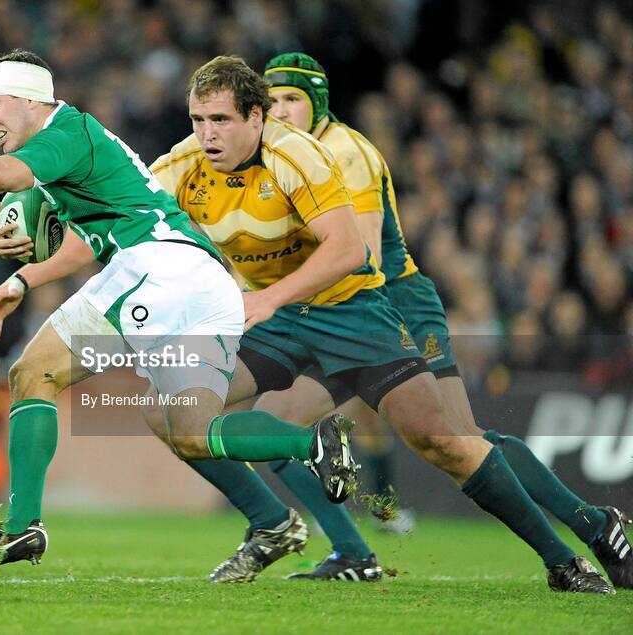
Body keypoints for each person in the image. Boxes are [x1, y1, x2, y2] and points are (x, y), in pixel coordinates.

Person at [142, 56, 612, 593]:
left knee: (449, 440)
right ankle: (287, 527)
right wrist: (41, 249)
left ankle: (567, 555)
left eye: (220, 120)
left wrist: (265, 297)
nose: (206, 134)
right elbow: (129, 216)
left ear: (258, 116)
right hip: (280, 314)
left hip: (363, 308)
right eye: (198, 120)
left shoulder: (320, 154)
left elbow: (352, 252)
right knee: (172, 408)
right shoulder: (182, 166)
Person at [0, 49, 357, 579]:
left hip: (157, 267)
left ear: (29, 100)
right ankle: (307, 450)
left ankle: (21, 526)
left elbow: (3, 174)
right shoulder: (73, 151)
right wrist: (21, 276)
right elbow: (85, 234)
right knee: (190, 430)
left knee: (31, 372)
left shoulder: (64, 133)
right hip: (202, 283)